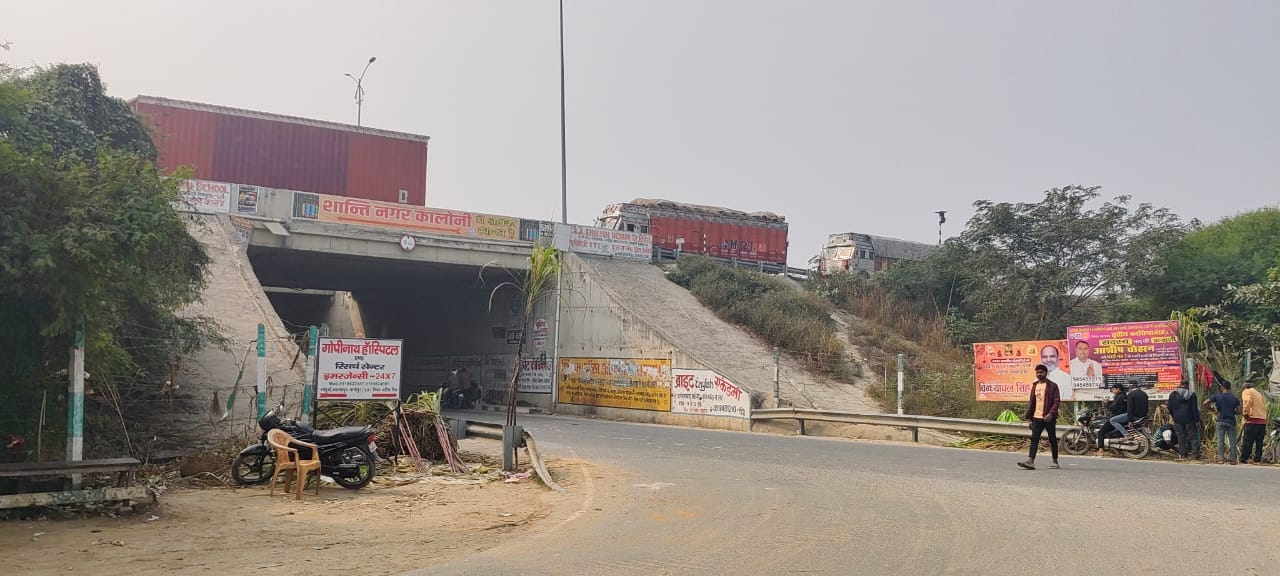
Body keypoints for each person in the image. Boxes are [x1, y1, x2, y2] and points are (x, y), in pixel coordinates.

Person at [1019, 364, 1061, 470]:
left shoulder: (1053, 386)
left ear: (1046, 373)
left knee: (1052, 439)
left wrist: (1051, 414)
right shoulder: (1035, 385)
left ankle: (1055, 461)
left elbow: (1056, 402)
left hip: (1048, 417)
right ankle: (1030, 461)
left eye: (1041, 372)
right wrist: (1029, 418)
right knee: (1034, 439)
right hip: (1036, 417)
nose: (1039, 374)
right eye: (1037, 372)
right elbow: (1031, 403)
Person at [1203, 380, 1241, 464]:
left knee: (1220, 440)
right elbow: (1239, 411)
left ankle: (1221, 459)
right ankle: (1233, 460)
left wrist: (1213, 410)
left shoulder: (1217, 396)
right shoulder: (1235, 398)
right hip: (1231, 421)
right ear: (1229, 388)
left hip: (1220, 420)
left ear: (1222, 388)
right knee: (1232, 441)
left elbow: (1205, 403)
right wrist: (1232, 412)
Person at [1166, 378, 1202, 461]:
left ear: (1180, 384)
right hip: (1189, 419)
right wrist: (1197, 420)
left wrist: (1174, 416)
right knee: (1193, 437)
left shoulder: (1173, 394)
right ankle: (1195, 455)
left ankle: (1183, 454)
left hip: (1177, 419)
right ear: (1187, 385)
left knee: (1180, 436)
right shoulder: (1192, 395)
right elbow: (1194, 409)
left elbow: (1169, 407)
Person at [1239, 379, 1268, 465]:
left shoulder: (1247, 392)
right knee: (1259, 442)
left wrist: (1245, 413)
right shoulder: (1258, 394)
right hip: (1262, 420)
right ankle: (1257, 459)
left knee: (1248, 440)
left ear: (1245, 386)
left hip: (1253, 419)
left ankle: (1244, 458)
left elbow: (1248, 401)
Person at [1097, 382, 1128, 455]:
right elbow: (1115, 405)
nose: (1113, 391)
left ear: (1118, 389)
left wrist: (1106, 403)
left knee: (1101, 432)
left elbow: (1114, 408)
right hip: (1121, 416)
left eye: (1114, 389)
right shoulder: (1123, 396)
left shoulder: (1120, 396)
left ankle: (1100, 450)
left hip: (1116, 417)